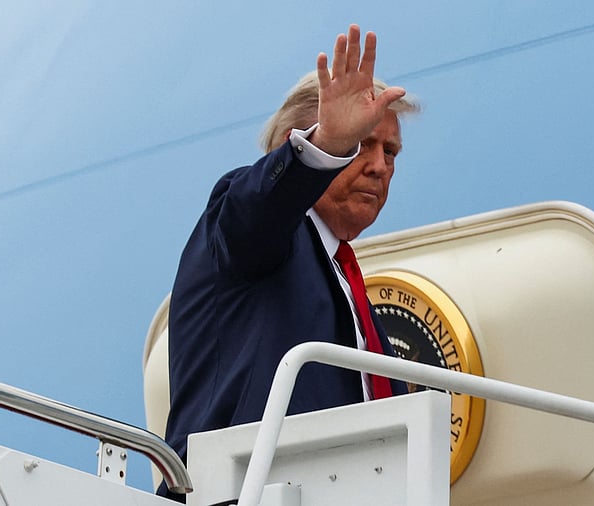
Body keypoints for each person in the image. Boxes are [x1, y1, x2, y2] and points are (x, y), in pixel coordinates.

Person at [158, 24, 419, 500]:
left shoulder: (356, 300)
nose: (380, 165)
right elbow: (258, 209)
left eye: (391, 151)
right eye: (362, 142)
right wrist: (328, 145)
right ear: (292, 141)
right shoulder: (250, 229)